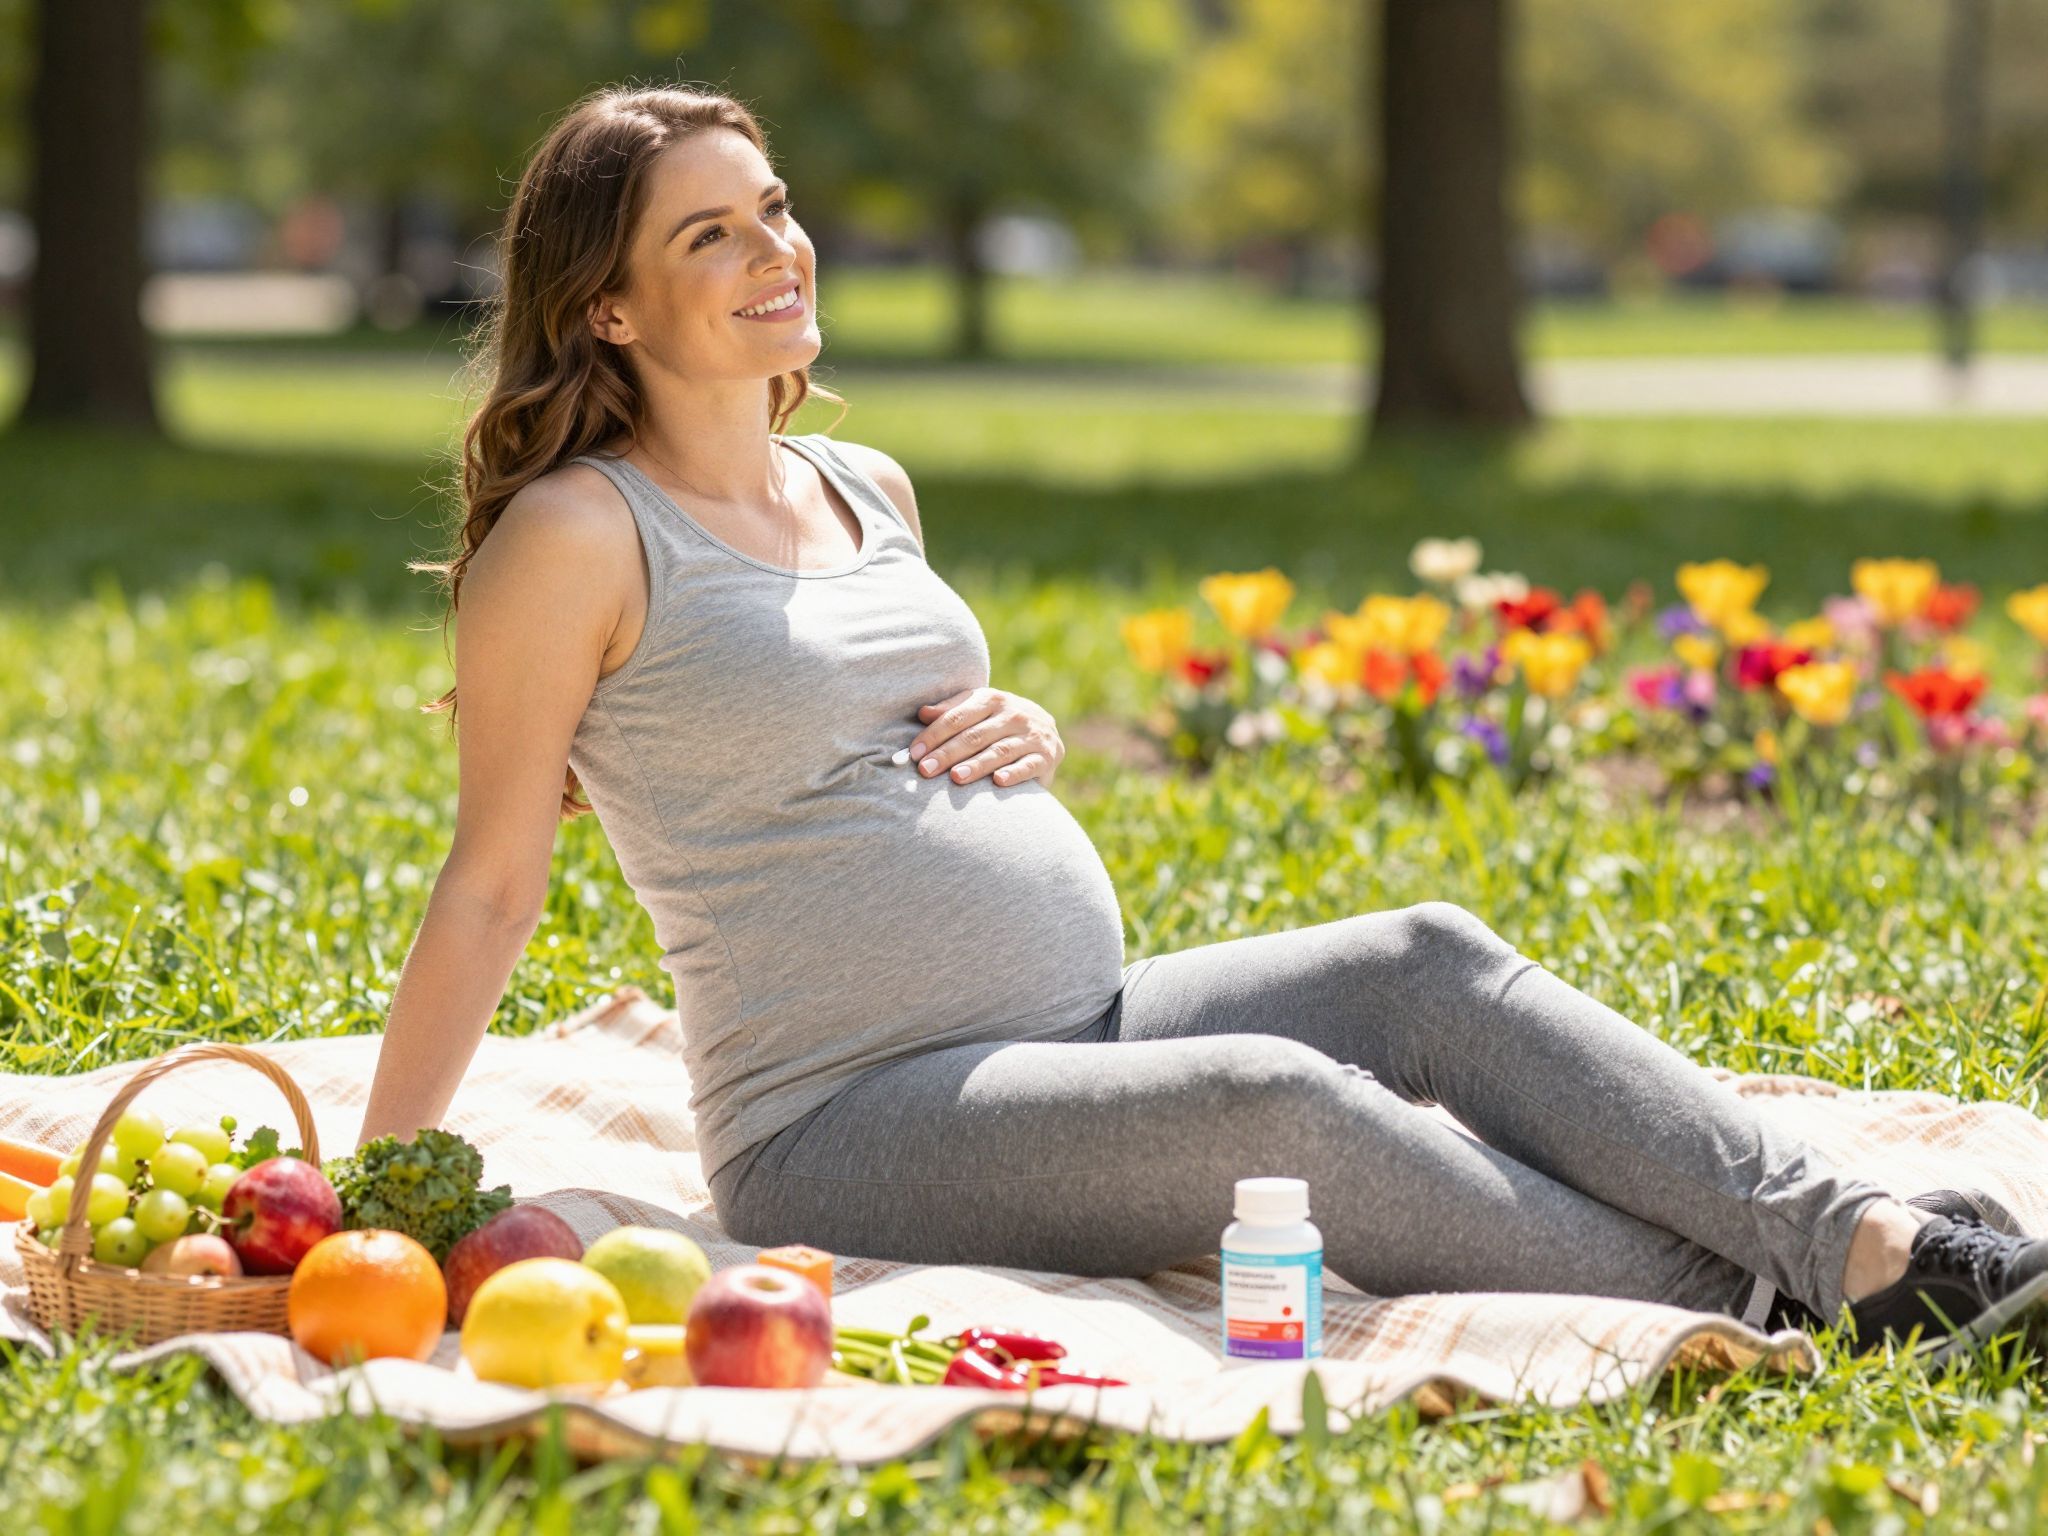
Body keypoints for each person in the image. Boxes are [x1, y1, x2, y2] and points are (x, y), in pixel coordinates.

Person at [355, 84, 2048, 1367]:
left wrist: (1015, 723)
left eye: (773, 208)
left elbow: (865, 715)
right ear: (609, 309)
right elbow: (494, 880)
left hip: (1072, 1021)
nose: (773, 250)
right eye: (706, 234)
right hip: (846, 1124)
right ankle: (1820, 1290)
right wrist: (380, 1193)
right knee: (1266, 1100)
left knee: (1424, 957)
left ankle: (1860, 1226)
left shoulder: (861, 484)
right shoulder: (575, 537)